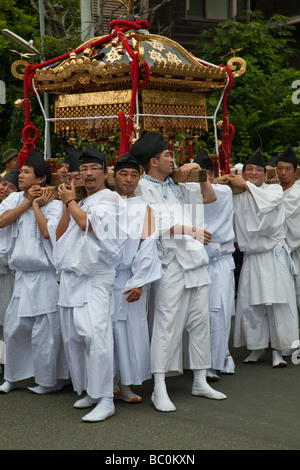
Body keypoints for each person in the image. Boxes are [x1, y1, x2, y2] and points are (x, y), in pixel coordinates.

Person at [130, 132, 226, 413]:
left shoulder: (177, 185)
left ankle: (199, 379)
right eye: (167, 155)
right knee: (167, 324)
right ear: (153, 161)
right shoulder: (142, 188)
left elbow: (208, 198)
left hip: (196, 261)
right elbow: (152, 226)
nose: (173, 159)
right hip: (170, 264)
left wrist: (199, 173)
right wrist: (190, 230)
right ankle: (159, 386)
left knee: (199, 323)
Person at [54, 145, 127, 422]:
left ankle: (107, 397)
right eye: (83, 169)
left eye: (93, 168)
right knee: (76, 337)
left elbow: (91, 226)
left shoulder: (109, 199)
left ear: (105, 172)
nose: (88, 174)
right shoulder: (81, 201)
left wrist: (71, 202)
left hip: (97, 276)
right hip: (73, 277)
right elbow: (60, 234)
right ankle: (90, 390)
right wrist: (67, 203)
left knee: (96, 336)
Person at [0, 151, 69, 394]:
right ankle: (12, 377)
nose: (21, 175)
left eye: (27, 172)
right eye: (21, 171)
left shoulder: (54, 203)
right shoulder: (14, 199)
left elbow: (49, 233)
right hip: (22, 276)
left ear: (40, 179)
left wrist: (38, 204)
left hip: (44, 275)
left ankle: (48, 381)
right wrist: (28, 202)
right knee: (14, 328)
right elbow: (2, 220)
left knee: (45, 333)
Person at [224, 148, 299, 367]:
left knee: (276, 305)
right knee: (250, 305)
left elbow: (266, 205)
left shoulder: (274, 191)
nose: (253, 173)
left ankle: (277, 350)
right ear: (243, 172)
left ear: (266, 175)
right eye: (249, 170)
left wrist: (244, 184)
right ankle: (256, 347)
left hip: (272, 257)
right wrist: (233, 181)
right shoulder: (238, 193)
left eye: (258, 170)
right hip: (251, 257)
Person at [111, 153, 162, 403]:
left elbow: (148, 244)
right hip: (103, 278)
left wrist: (139, 281)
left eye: (134, 175)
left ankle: (126, 384)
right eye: (123, 174)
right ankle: (106, 382)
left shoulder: (144, 207)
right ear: (114, 177)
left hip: (129, 277)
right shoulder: (104, 203)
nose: (129, 179)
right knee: (105, 332)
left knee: (128, 333)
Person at [188, 152, 236, 380]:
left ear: (207, 174)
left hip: (219, 262)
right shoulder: (189, 193)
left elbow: (213, 194)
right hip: (195, 260)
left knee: (218, 313)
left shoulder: (224, 192)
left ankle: (216, 361)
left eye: (196, 175)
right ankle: (200, 361)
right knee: (197, 315)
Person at [275, 145, 300, 346]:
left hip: (296, 248)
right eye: (280, 168)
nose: (283, 173)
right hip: (279, 250)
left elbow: (280, 214)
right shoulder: (273, 190)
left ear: (295, 171)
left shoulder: (297, 192)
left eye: (287, 169)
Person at [0, 170, 20, 374]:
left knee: (5, 317)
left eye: (11, 187)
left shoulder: (15, 206)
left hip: (5, 267)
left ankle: (6, 361)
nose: (5, 189)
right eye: (4, 184)